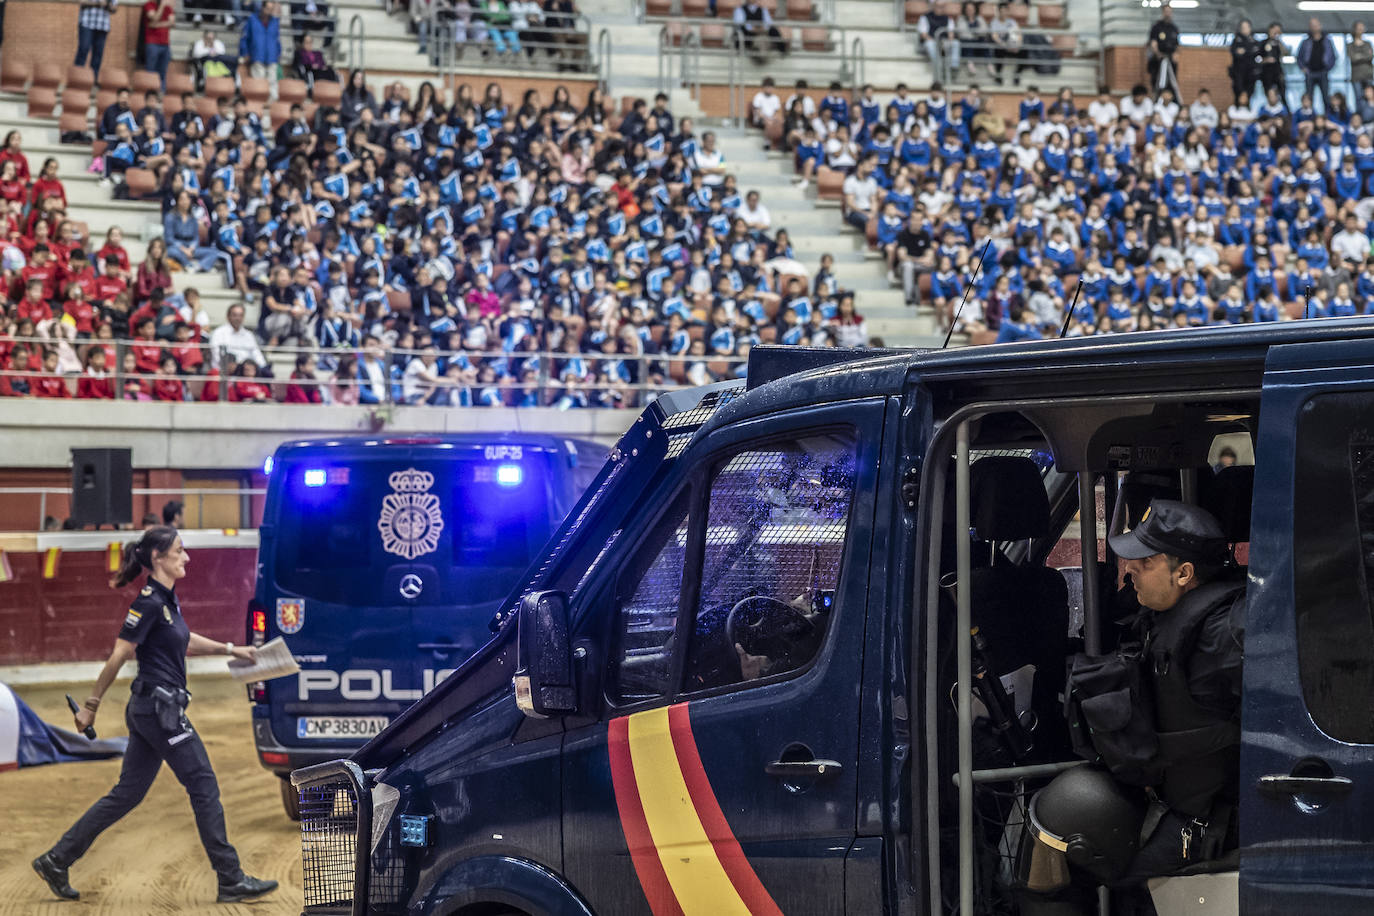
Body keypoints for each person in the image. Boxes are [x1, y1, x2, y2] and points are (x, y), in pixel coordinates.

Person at [1018, 500, 1245, 915]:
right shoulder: (1169, 614)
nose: (1130, 569)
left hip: (1209, 821)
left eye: (1145, 561)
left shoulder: (1224, 637)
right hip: (1170, 797)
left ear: (1184, 573)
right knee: (1054, 828)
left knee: (1065, 861)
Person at [31, 526, 279, 904]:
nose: (187, 557)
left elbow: (185, 637)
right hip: (160, 711)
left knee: (127, 794)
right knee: (203, 784)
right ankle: (230, 878)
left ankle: (56, 859)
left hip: (152, 709)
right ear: (158, 558)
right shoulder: (147, 602)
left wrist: (233, 648)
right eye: (180, 551)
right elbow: (119, 654)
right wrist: (91, 706)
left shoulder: (165, 600)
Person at [239, 0, 282, 98]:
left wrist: (278, 52)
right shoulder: (252, 20)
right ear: (262, 8)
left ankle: (272, 107)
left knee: (273, 84)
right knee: (259, 83)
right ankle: (259, 104)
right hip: (257, 56)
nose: (269, 11)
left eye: (271, 9)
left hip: (272, 57)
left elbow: (277, 39)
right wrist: (245, 52)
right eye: (267, 8)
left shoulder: (275, 22)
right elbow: (245, 38)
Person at [1298, 17, 1337, 113]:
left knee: (1326, 97)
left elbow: (1333, 56)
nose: (1314, 27)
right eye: (1312, 25)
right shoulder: (1305, 42)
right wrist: (1303, 68)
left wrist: (1328, 68)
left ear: (1320, 26)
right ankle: (1311, 117)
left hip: (1323, 72)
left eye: (1316, 25)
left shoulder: (1327, 41)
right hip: (1310, 72)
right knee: (1309, 97)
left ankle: (1327, 116)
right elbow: (1299, 57)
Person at [75, 0, 118, 83]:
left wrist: (107, 4)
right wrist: (97, 3)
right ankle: (77, 78)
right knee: (83, 49)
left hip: (102, 25)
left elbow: (114, 8)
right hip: (86, 23)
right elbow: (81, 2)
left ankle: (93, 80)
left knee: (98, 54)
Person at [1146, 2, 1180, 100]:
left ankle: (1172, 101)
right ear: (1163, 12)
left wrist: (1176, 55)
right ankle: (1155, 100)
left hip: (1170, 60)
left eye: (1170, 11)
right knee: (1157, 81)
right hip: (1159, 59)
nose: (1168, 13)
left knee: (1171, 83)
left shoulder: (1174, 28)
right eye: (1166, 11)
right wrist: (1158, 54)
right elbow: (1153, 43)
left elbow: (1177, 46)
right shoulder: (1157, 27)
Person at [140, 0, 175, 92]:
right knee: (151, 70)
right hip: (152, 43)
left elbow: (172, 22)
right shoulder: (149, 5)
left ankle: (161, 93)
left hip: (165, 44)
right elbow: (154, 18)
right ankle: (149, 92)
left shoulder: (168, 7)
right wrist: (162, 6)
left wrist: (156, 25)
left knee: (162, 72)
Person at [1228, 19, 1260, 104]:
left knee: (1249, 94)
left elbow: (1257, 52)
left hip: (1251, 74)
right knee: (1238, 94)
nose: (1244, 29)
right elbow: (1235, 52)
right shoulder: (1236, 40)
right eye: (1242, 27)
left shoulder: (1254, 41)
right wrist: (1249, 51)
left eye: (1246, 27)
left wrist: (1244, 51)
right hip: (1239, 73)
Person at [1259, 21, 1287, 98]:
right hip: (1266, 72)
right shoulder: (1263, 43)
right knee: (1268, 92)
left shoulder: (1278, 43)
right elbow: (1257, 58)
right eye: (1276, 30)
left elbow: (1285, 52)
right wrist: (1266, 60)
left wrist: (1279, 39)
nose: (1276, 32)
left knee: (1282, 92)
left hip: (1277, 71)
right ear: (1270, 29)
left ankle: (1285, 108)